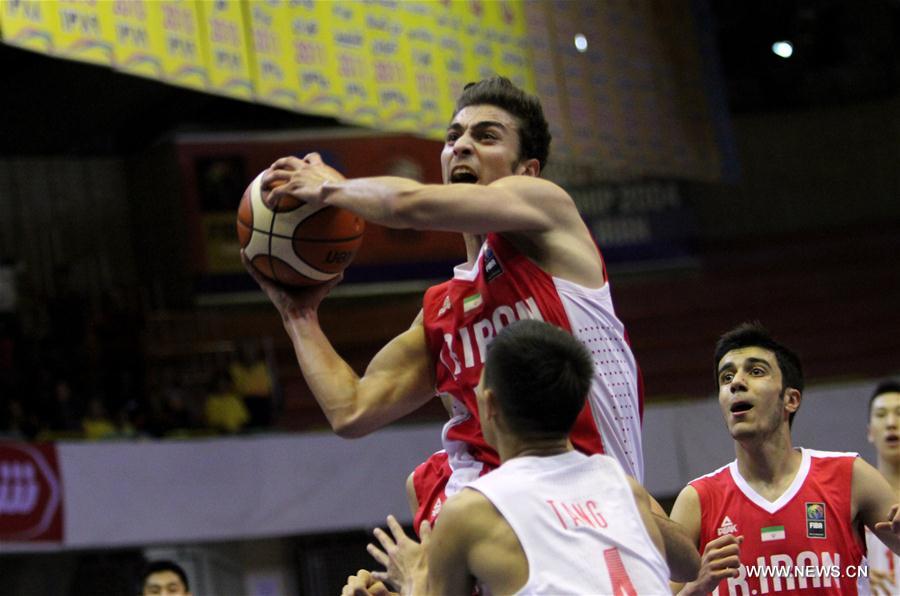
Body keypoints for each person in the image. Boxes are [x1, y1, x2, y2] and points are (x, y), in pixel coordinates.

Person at [245, 76, 644, 531]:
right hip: (502, 525)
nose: (461, 146)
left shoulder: (547, 211)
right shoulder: (441, 310)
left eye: (486, 135)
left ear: (528, 171)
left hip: (593, 511)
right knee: (432, 483)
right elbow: (352, 409)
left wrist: (331, 188)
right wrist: (298, 316)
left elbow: (408, 204)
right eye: (453, 137)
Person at [354, 320, 698, 595]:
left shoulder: (470, 511)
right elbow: (690, 565)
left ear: (489, 407)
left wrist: (414, 580)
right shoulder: (622, 488)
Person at [670, 323, 900, 595]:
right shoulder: (696, 500)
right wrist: (694, 590)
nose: (737, 383)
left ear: (790, 399)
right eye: (726, 377)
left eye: (756, 371)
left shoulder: (850, 475)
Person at [865, 379, 900, 594]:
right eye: (881, 415)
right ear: (870, 432)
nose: (890, 423)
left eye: (899, 413)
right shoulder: (856, 499)